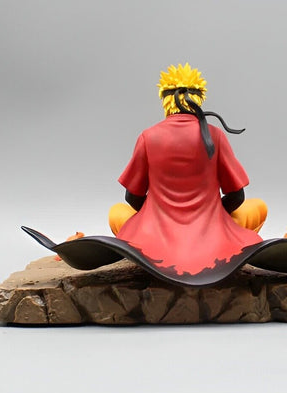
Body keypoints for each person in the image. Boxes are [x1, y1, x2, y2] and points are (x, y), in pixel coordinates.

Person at [109, 63, 267, 276]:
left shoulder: (148, 136)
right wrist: (214, 215)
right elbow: (237, 196)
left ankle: (146, 247)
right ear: (199, 98)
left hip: (154, 241)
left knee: (117, 213)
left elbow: (132, 197)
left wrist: (155, 214)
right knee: (258, 207)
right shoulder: (215, 136)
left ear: (165, 99)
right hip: (213, 243)